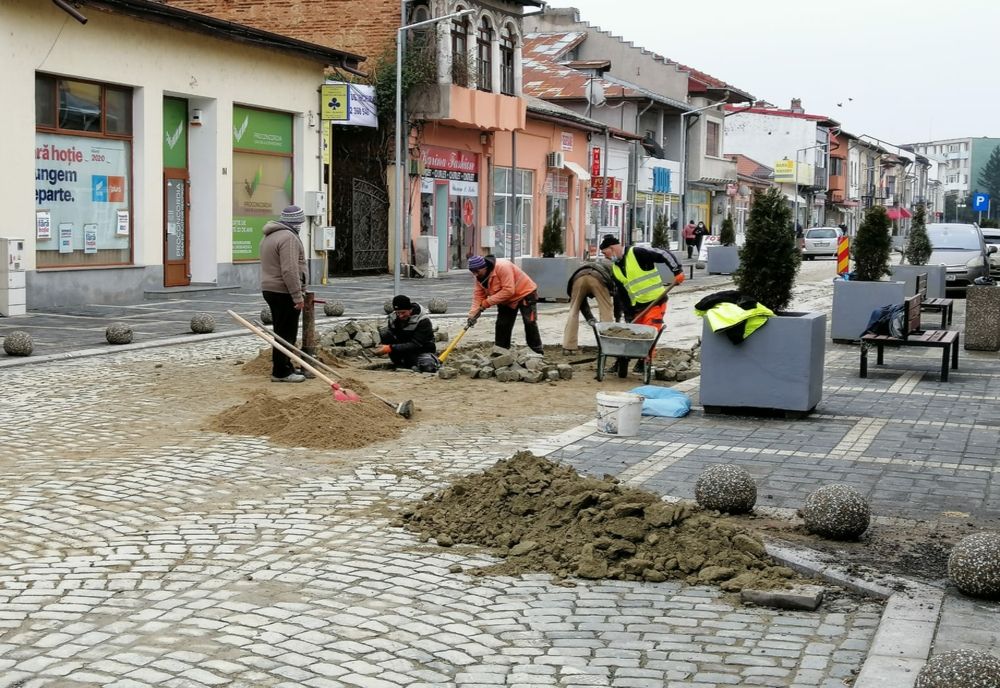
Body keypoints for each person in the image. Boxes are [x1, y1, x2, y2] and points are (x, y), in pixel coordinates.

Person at [599, 234, 685, 373]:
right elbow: (622, 294)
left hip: (655, 302)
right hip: (636, 307)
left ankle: (644, 362)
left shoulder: (637, 253)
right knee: (632, 336)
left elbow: (663, 253)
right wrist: (627, 314)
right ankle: (622, 361)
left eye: (605, 253)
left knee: (649, 333)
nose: (605, 257)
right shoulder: (615, 268)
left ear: (613, 247)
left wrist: (677, 271)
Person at [260, 205, 308, 382]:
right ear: (296, 222)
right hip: (283, 291)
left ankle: (285, 366)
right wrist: (297, 295)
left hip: (270, 288)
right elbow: (289, 270)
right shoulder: (288, 238)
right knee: (286, 333)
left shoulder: (270, 235)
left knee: (281, 331)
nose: (300, 227)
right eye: (300, 223)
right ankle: (281, 372)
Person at [467, 254, 544, 355]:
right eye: (473, 272)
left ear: (485, 267)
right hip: (506, 299)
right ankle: (501, 351)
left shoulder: (502, 267)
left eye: (477, 271)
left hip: (525, 292)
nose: (475, 274)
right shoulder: (480, 278)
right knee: (502, 323)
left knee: (529, 322)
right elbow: (478, 296)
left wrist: (487, 303)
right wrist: (473, 314)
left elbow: (508, 290)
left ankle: (536, 351)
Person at [562, 260, 623, 353]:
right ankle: (608, 346)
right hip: (598, 278)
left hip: (578, 277)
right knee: (606, 310)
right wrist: (618, 317)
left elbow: (582, 303)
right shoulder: (616, 271)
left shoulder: (604, 265)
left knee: (573, 311)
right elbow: (618, 297)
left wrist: (589, 318)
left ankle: (568, 347)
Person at [375, 294, 440, 373]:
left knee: (427, 367)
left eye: (403, 312)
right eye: (398, 313)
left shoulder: (423, 321)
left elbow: (416, 344)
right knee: (386, 334)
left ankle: (428, 361)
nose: (400, 316)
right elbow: (390, 338)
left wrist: (390, 348)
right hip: (403, 350)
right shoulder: (393, 318)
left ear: (410, 309)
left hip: (421, 350)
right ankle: (400, 363)